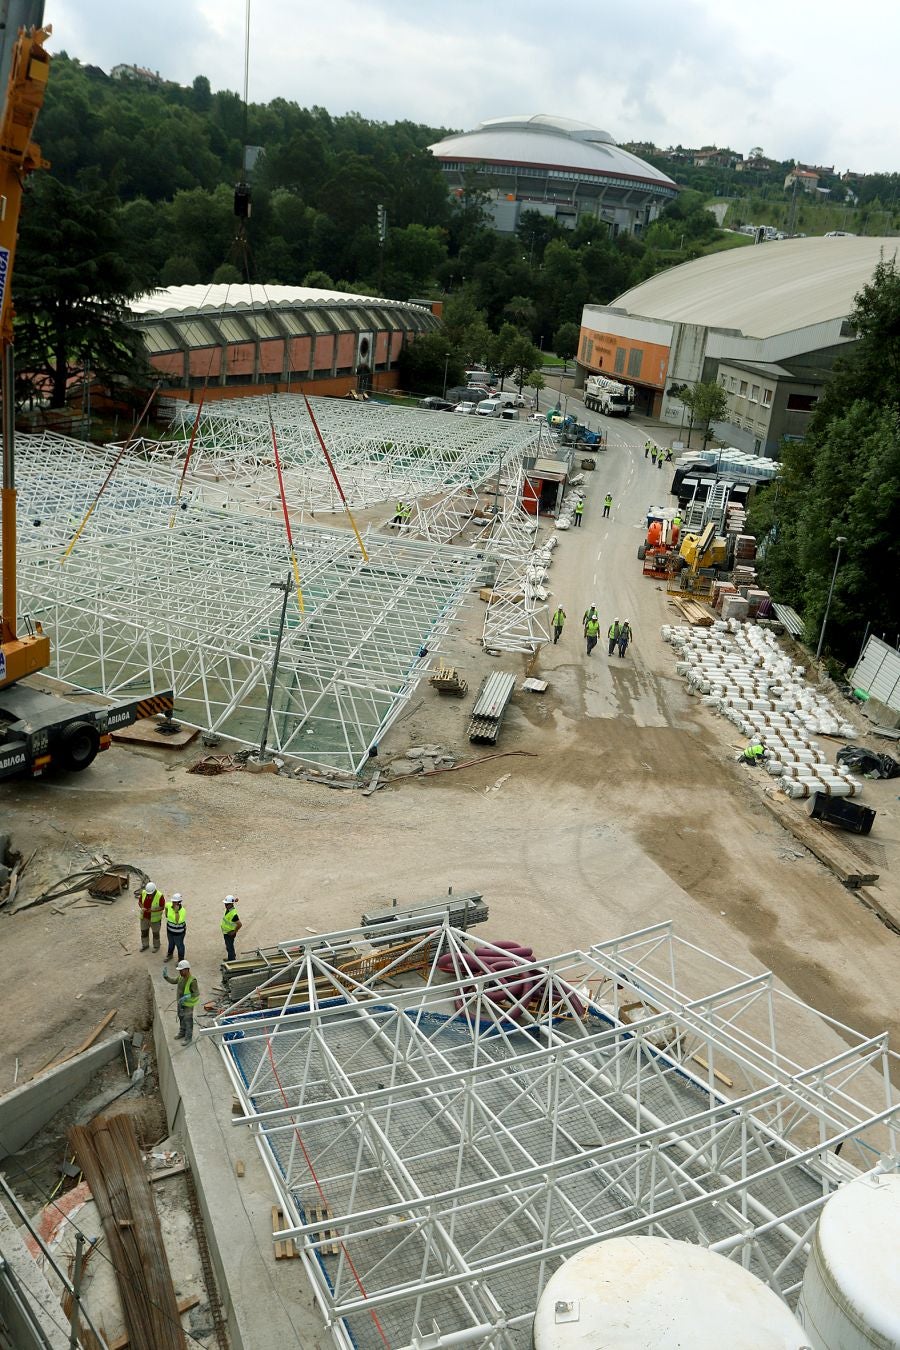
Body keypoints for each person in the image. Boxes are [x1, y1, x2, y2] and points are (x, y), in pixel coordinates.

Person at [162, 959, 200, 1043]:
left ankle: (188, 1037)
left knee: (188, 1020)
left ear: (186, 970)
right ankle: (182, 1032)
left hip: (188, 1005)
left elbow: (196, 993)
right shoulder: (181, 977)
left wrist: (188, 996)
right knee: (181, 1017)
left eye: (181, 970)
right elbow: (173, 981)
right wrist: (166, 976)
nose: (179, 972)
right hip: (180, 1003)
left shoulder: (192, 980)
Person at [137, 880, 165, 953]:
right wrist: (142, 907)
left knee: (155, 933)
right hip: (144, 918)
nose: (149, 895)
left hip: (155, 920)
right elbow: (139, 902)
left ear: (154, 890)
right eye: (148, 894)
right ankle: (145, 945)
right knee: (144, 932)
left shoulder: (160, 896)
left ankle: (156, 946)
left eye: (150, 894)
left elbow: (162, 907)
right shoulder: (144, 892)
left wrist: (152, 910)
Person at [164, 893, 187, 963]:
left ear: (179, 903)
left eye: (175, 902)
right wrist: (166, 913)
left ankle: (181, 959)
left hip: (179, 933)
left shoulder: (182, 911)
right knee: (171, 943)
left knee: (179, 945)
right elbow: (166, 907)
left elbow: (177, 921)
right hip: (170, 930)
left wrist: (176, 912)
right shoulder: (169, 905)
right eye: (173, 902)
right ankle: (170, 955)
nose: (173, 903)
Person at [221, 896, 242, 961]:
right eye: (225, 904)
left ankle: (232, 960)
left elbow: (239, 924)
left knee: (229, 947)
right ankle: (231, 956)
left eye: (227, 904)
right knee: (228, 946)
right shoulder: (229, 909)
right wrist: (234, 900)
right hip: (226, 932)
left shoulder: (234, 915)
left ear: (231, 904)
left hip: (230, 933)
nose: (225, 905)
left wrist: (234, 932)